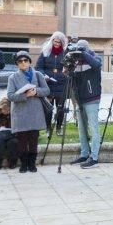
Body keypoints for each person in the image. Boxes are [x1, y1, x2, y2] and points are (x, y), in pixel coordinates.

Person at [8, 50, 50, 173]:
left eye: (25, 60)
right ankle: (23, 164)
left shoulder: (38, 75)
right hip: (20, 112)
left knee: (33, 139)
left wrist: (36, 92)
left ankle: (32, 164)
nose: (23, 63)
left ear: (29, 62)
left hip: (35, 111)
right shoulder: (13, 77)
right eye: (20, 61)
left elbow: (46, 90)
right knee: (22, 140)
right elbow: (10, 96)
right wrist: (26, 95)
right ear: (17, 64)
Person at [64, 40, 102, 169]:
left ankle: (95, 158)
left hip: (92, 98)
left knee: (93, 128)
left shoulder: (94, 57)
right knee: (81, 129)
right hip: (79, 99)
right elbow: (66, 70)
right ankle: (84, 154)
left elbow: (96, 65)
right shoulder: (76, 62)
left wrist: (83, 53)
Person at [36, 31, 68, 135]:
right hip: (48, 84)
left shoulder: (65, 53)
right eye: (55, 41)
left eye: (59, 42)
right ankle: (48, 128)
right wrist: (43, 74)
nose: (56, 44)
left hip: (61, 84)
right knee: (48, 108)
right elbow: (38, 67)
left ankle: (58, 128)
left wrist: (65, 71)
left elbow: (69, 67)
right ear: (52, 41)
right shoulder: (45, 51)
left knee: (60, 108)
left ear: (62, 43)